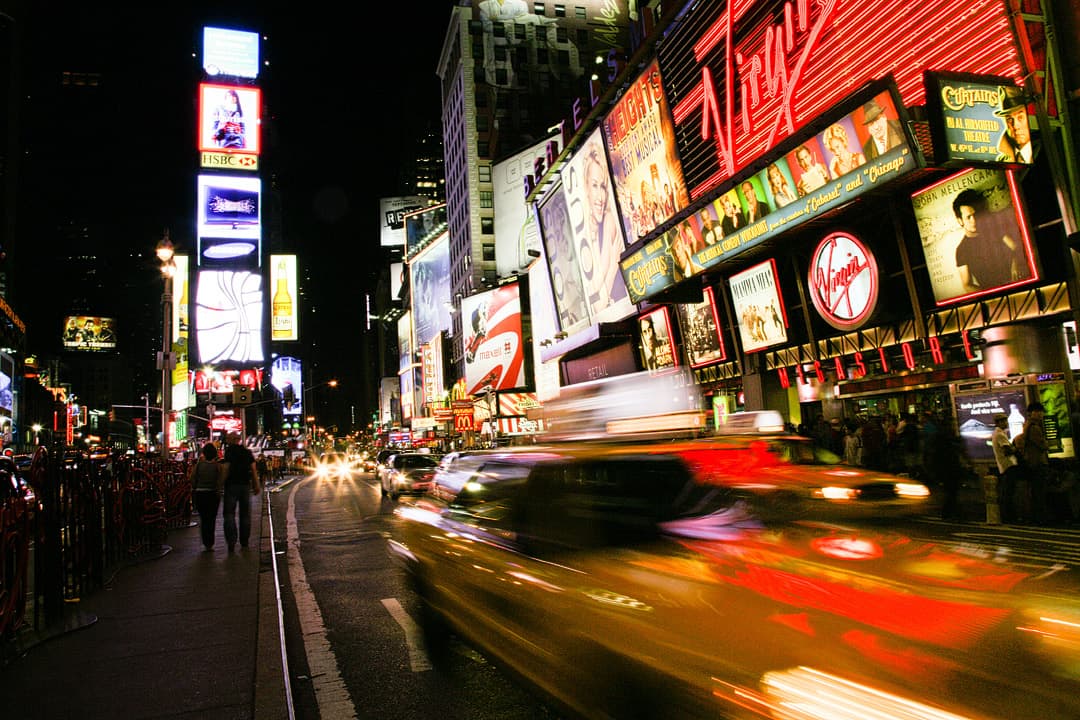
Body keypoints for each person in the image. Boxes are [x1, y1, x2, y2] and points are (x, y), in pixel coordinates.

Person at [952, 188, 1024, 293]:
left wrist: (1015, 264)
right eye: (968, 217)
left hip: (1018, 285)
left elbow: (1017, 247)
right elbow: (967, 285)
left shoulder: (993, 231)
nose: (974, 220)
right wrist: (991, 294)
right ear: (960, 221)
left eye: (975, 215)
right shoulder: (961, 250)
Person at [582, 145, 628, 311]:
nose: (601, 196)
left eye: (603, 186)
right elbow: (596, 294)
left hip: (624, 310)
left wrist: (614, 264)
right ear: (586, 186)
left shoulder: (609, 220)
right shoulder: (590, 227)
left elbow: (599, 305)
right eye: (595, 185)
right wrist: (614, 264)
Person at [221, 432, 259, 551]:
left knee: (229, 514)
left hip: (231, 485)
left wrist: (220, 484)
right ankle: (244, 541)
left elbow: (226, 468)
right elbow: (253, 470)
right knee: (245, 515)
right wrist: (256, 484)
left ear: (232, 439)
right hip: (245, 486)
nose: (226, 440)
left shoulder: (229, 452)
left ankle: (231, 541)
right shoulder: (247, 452)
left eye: (227, 439)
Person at [189, 442, 224, 551]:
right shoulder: (217, 466)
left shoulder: (199, 464)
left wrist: (195, 486)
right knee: (211, 519)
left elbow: (192, 477)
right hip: (212, 494)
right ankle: (210, 543)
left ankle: (205, 542)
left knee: (204, 519)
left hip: (200, 494)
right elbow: (220, 480)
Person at [1020, 401, 1049, 524]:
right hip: (1037, 462)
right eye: (1039, 412)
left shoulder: (1027, 425)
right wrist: (1047, 443)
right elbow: (1043, 445)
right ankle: (1039, 517)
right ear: (1033, 413)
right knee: (1039, 491)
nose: (1041, 414)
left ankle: (1036, 516)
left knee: (1035, 490)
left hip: (1031, 463)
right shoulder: (1034, 428)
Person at [991, 413, 1022, 523]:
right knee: (1009, 493)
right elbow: (1007, 450)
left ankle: (1008, 516)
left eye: (1006, 420)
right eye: (1003, 421)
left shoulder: (998, 434)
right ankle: (1010, 517)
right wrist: (1016, 448)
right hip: (1008, 465)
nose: (1006, 423)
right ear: (998, 423)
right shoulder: (999, 434)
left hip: (1005, 466)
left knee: (1007, 492)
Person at [994, 87, 1033, 164]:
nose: (1015, 126)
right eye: (1009, 119)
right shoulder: (1001, 151)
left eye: (1020, 117)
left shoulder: (1044, 147)